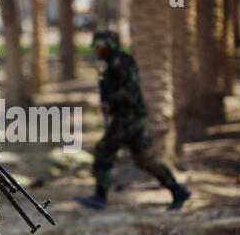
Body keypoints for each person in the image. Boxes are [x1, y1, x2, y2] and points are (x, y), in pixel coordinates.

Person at [74, 30, 191, 211]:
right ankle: (178, 190)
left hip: (128, 118)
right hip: (129, 117)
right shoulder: (109, 64)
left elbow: (131, 90)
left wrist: (111, 102)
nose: (96, 51)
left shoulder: (120, 61)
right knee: (144, 159)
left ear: (107, 45)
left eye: (99, 47)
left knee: (104, 151)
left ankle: (100, 197)